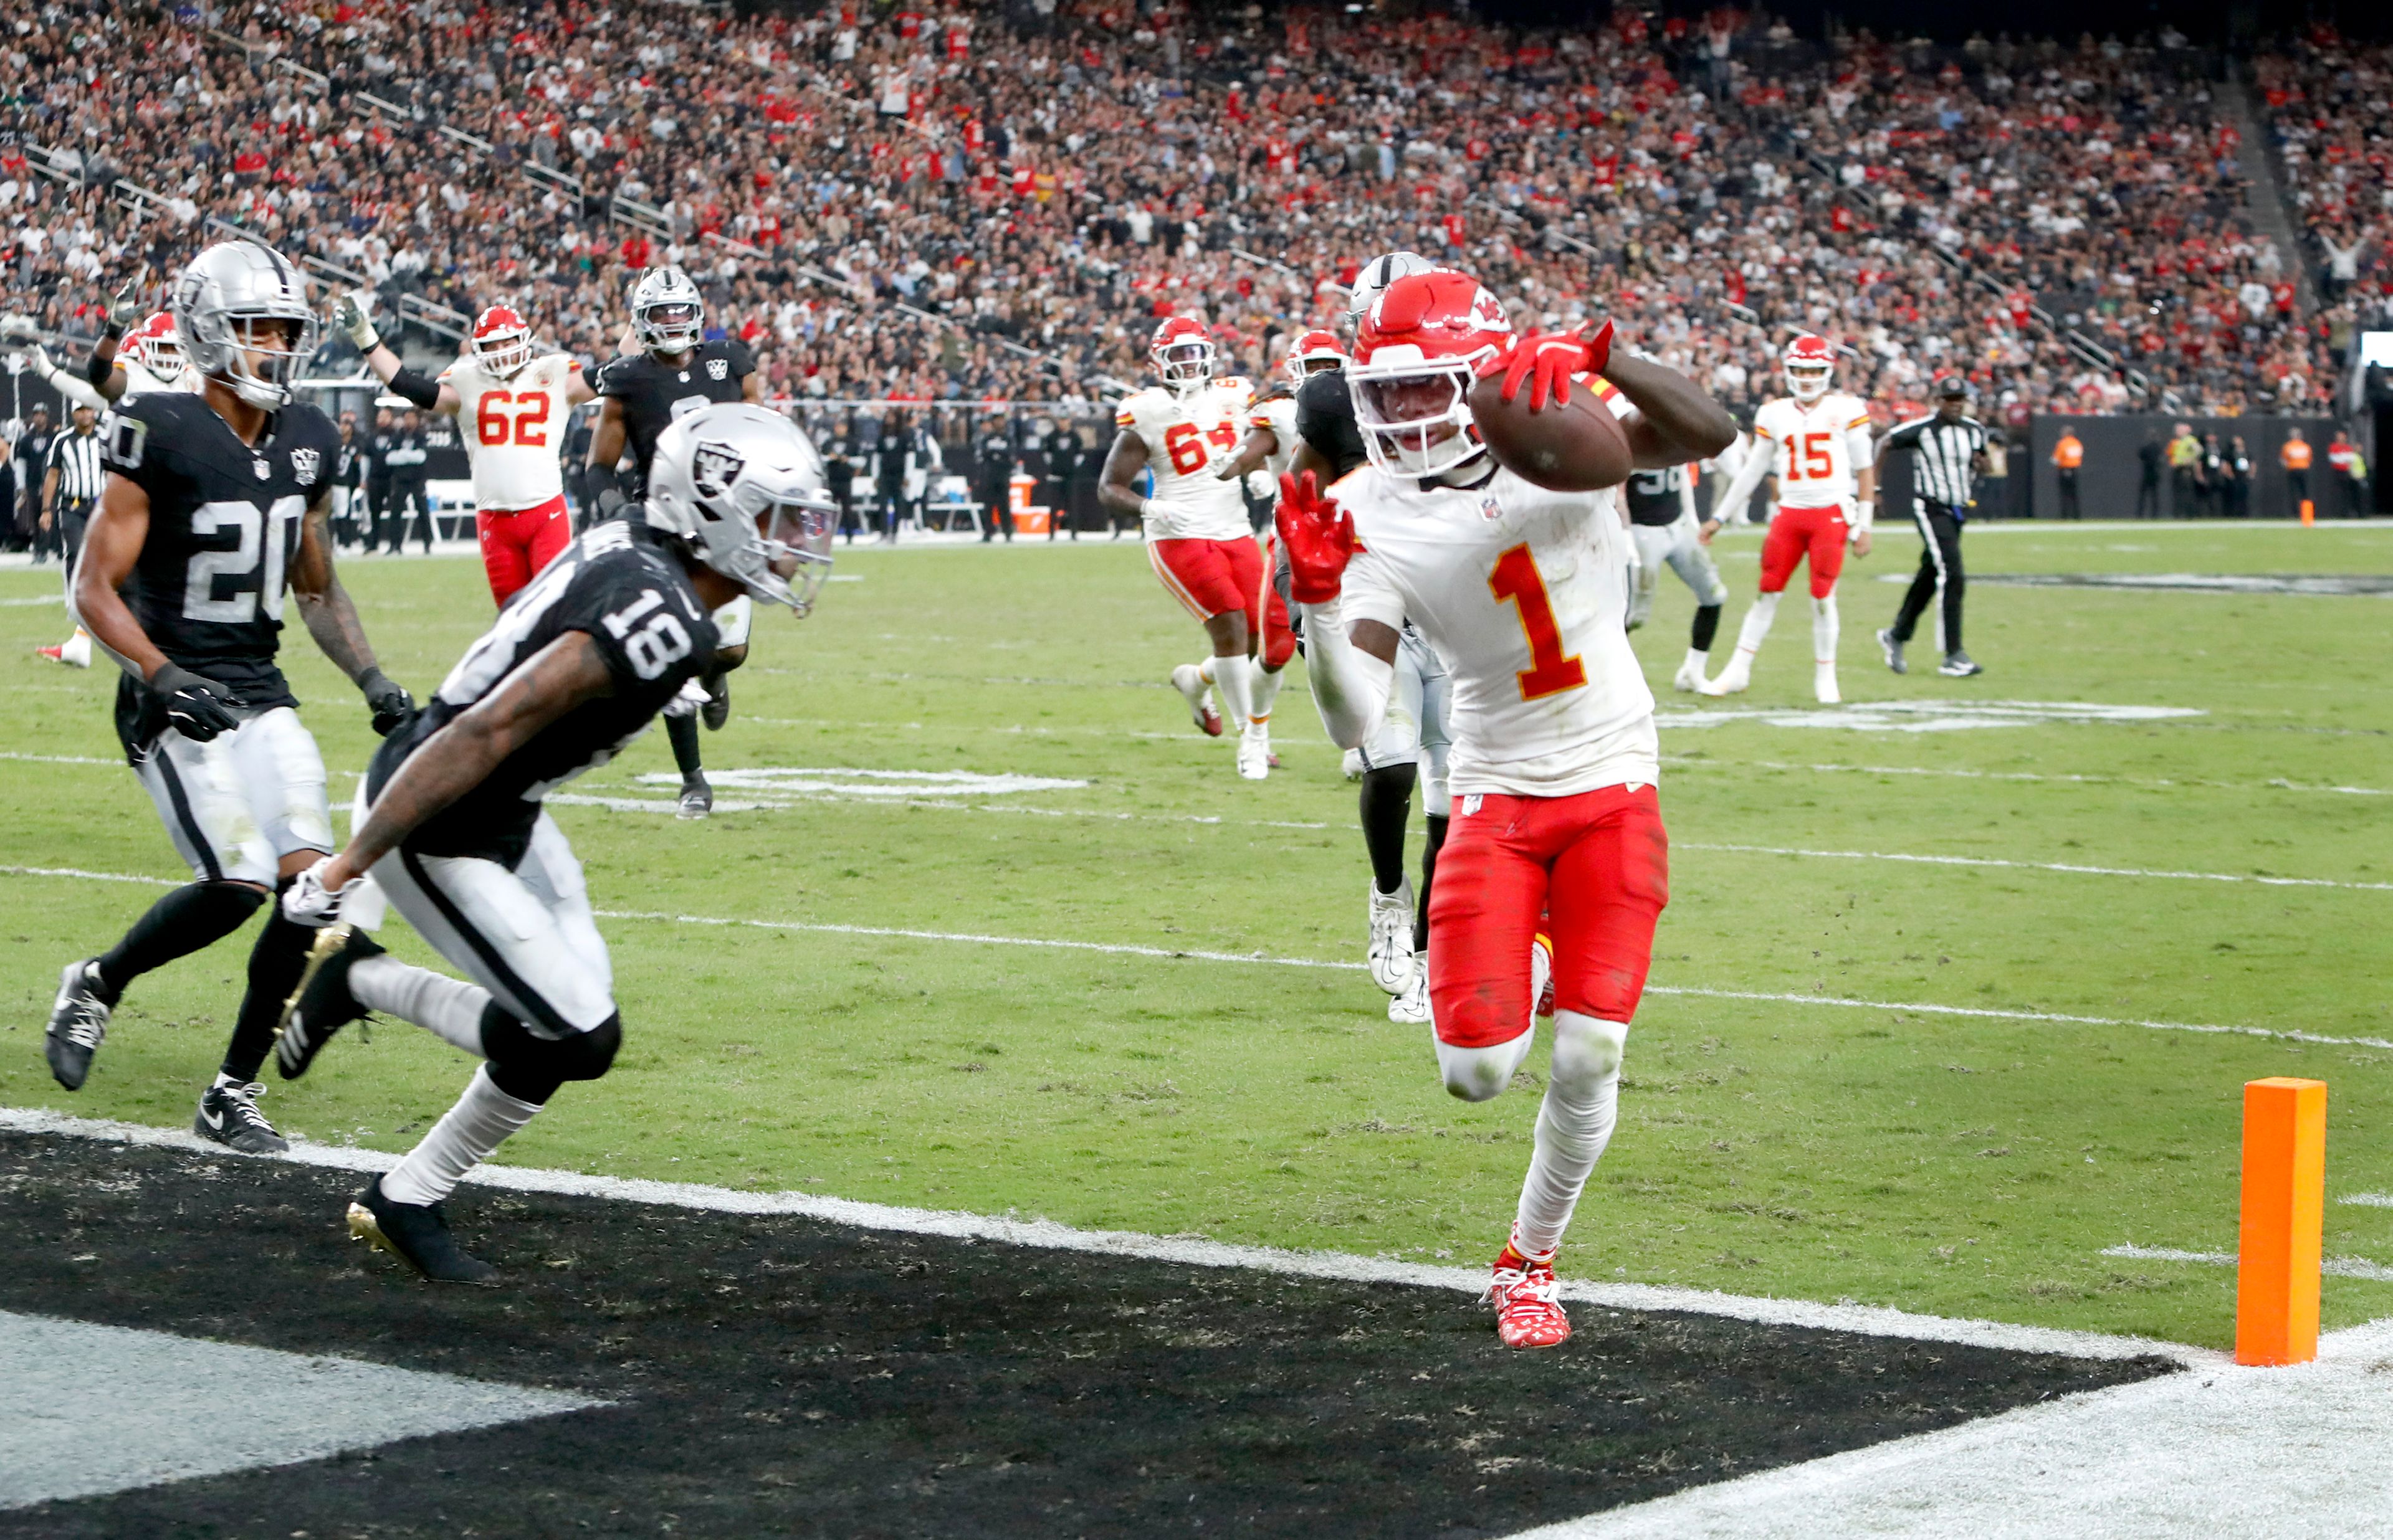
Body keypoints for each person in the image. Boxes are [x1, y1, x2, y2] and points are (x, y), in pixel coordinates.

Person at [273, 402, 834, 1283]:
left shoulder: (652, 566)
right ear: (716, 511)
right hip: (438, 811)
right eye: (778, 519)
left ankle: (407, 1196)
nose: (797, 542)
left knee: (571, 1016)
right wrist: (351, 866)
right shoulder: (659, 607)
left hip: (505, 806)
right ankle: (360, 984)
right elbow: (487, 731)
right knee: (579, 1035)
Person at [1283, 266, 1734, 1348]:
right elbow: (1357, 720)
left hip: (1614, 780)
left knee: (1587, 1057)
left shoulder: (1550, 428)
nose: (1396, 413)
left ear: (1478, 372)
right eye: (1380, 394)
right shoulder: (1363, 511)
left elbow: (1705, 431)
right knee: (1474, 1074)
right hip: (1493, 792)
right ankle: (1524, 953)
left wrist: (1603, 355)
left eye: (1421, 388)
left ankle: (1528, 1260)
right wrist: (1312, 613)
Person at [44, 237, 414, 1152]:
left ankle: (229, 1094)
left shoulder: (309, 439)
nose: (277, 347)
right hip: (170, 691)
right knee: (239, 880)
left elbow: (316, 587)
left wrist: (372, 678)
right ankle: (98, 980)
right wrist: (161, 675)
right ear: (210, 331)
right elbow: (92, 589)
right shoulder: (157, 427)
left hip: (260, 687)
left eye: (287, 330)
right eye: (258, 328)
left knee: (312, 892)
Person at [585, 266, 762, 818]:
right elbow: (598, 468)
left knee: (729, 651)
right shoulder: (627, 379)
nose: (672, 321)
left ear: (697, 315)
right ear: (642, 321)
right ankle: (693, 782)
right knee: (674, 659)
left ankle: (716, 675)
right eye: (661, 313)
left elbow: (761, 431)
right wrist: (621, 511)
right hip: (664, 522)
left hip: (726, 520)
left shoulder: (731, 362)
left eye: (680, 311)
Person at [1099, 315, 1289, 781]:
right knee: (1228, 623)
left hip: (1235, 529)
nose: (1187, 364)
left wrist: (1261, 472)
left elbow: (1258, 445)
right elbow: (1109, 487)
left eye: (1193, 353)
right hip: (1178, 533)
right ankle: (1252, 736)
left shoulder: (1235, 394)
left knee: (1250, 639)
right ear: (1158, 361)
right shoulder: (1144, 410)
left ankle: (1195, 681)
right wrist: (1149, 509)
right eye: (1177, 355)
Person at [335, 297, 598, 604]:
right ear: (479, 350)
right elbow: (406, 383)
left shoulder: (555, 373)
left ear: (523, 340)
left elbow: (617, 374)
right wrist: (366, 338)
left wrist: (638, 327)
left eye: (507, 342)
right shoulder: (467, 381)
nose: (500, 352)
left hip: (545, 514)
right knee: (512, 619)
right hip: (495, 521)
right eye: (491, 346)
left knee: (556, 610)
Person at [1697, 335, 1877, 705]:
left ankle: (1826, 676)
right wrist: (1719, 516)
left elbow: (1864, 470)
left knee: (1823, 598)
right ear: (1788, 371)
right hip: (1789, 514)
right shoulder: (1774, 413)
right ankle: (1737, 670)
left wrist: (1865, 525)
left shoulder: (1847, 409)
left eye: (1814, 370)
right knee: (1767, 591)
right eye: (1800, 369)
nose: (1807, 377)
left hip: (1830, 513)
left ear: (1827, 371)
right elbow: (1751, 471)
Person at [1876, 376, 1989, 678]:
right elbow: (1884, 442)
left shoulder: (1974, 431)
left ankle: (1897, 634)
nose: (1955, 404)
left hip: (1957, 509)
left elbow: (1983, 461)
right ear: (1937, 401)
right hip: (1930, 506)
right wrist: (1874, 488)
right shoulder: (1923, 429)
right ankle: (1953, 654)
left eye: (1959, 399)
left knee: (1931, 573)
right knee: (1953, 572)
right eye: (1949, 399)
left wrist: (1982, 466)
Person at [1622, 460, 1729, 691]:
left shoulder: (1675, 434)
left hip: (1678, 525)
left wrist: (1692, 520)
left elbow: (1682, 475)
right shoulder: (1631, 434)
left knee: (1714, 595)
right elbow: (1617, 493)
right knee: (1634, 615)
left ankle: (1694, 672)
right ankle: (1614, 678)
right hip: (1642, 532)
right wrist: (1626, 534)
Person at [34, 402, 105, 667]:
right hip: (72, 506)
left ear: (94, 412)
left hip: (101, 506)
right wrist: (46, 509)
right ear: (73, 414)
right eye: (80, 410)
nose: (85, 414)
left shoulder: (106, 436)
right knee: (74, 554)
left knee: (105, 559)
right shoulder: (63, 441)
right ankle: (75, 606)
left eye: (88, 409)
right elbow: (53, 475)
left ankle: (101, 610)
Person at [382, 409, 433, 553]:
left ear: (417, 420)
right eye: (406, 418)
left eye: (411, 418)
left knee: (423, 511)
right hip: (400, 480)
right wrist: (409, 456)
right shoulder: (397, 436)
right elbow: (390, 458)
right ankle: (395, 545)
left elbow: (421, 457)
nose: (408, 421)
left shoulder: (421, 436)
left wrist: (402, 455)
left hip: (418, 479)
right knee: (396, 512)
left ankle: (427, 544)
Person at [974, 414, 1017, 542]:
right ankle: (988, 532)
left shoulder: (1008, 439)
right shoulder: (987, 438)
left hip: (1003, 476)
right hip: (989, 476)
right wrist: (998, 455)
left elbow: (1011, 457)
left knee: (1004, 505)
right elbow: (982, 455)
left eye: (1001, 420)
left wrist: (995, 454)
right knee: (988, 506)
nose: (999, 422)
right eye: (997, 420)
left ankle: (1008, 532)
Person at [1043, 417, 1082, 539]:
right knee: (1054, 506)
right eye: (1061, 420)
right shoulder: (1051, 436)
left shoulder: (1075, 437)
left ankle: (1074, 532)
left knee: (1072, 505)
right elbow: (1047, 455)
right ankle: (1051, 533)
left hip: (1070, 476)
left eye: (1065, 420)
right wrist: (1055, 467)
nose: (1063, 423)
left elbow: (1079, 456)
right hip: (1055, 476)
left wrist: (1070, 467)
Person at [364, 405, 396, 548]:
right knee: (374, 512)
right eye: (380, 417)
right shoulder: (372, 436)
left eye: (385, 417)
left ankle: (394, 543)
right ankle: (374, 543)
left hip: (391, 479)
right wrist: (364, 479)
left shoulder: (396, 436)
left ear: (391, 418)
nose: (382, 420)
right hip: (375, 479)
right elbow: (366, 459)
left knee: (394, 511)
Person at [2166, 422, 2200, 518]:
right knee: (2179, 493)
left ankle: (2189, 514)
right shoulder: (2178, 441)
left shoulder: (2189, 440)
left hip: (2186, 469)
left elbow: (2199, 450)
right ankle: (2179, 514)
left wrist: (2190, 460)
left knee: (2187, 493)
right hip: (2178, 469)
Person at [2327, 429, 2363, 518]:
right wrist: (2343, 459)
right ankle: (2336, 513)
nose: (2341, 439)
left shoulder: (2348, 448)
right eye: (2339, 437)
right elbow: (2334, 459)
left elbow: (2350, 460)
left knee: (2347, 494)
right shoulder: (2333, 447)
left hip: (2346, 473)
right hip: (2337, 472)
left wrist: (2342, 459)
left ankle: (2347, 513)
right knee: (2337, 493)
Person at [2051, 425, 2084, 521]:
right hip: (2075, 469)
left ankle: (2065, 515)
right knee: (2074, 494)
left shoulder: (2063, 443)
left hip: (2064, 469)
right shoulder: (2077, 443)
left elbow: (2056, 459)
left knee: (2064, 494)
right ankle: (2077, 515)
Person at [2281, 428, 2314, 518]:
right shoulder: (2306, 447)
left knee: (2293, 492)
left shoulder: (2288, 446)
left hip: (2292, 470)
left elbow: (2284, 461)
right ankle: (2307, 514)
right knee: (2305, 493)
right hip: (2304, 470)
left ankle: (2294, 514)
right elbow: (2310, 460)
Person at [2135, 429, 2164, 520]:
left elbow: (2140, 455)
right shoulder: (2158, 448)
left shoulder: (2146, 447)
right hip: (2155, 473)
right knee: (2154, 495)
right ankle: (2155, 514)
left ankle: (2140, 514)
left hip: (2147, 473)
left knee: (2143, 495)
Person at [2227, 435, 2254, 518]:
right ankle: (2235, 514)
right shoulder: (2231, 453)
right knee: (2235, 496)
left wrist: (2251, 474)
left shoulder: (2247, 452)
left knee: (2244, 496)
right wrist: (2231, 476)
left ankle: (2245, 514)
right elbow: (2227, 465)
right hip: (2236, 477)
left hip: (2245, 477)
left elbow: (2253, 464)